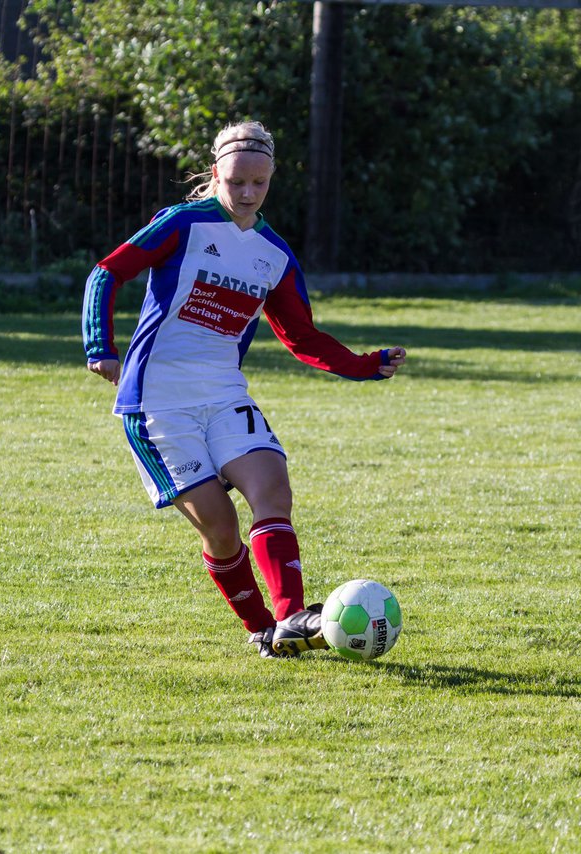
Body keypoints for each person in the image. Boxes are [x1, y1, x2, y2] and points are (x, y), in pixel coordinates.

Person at [82, 120, 406, 658]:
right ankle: (261, 629)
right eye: (237, 182)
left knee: (272, 488)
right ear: (216, 175)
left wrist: (365, 365)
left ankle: (292, 617)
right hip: (157, 401)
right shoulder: (182, 224)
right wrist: (100, 346)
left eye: (259, 183)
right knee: (221, 525)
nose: (248, 193)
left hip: (224, 392)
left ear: (272, 179)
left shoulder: (273, 253)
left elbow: (300, 336)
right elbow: (105, 274)